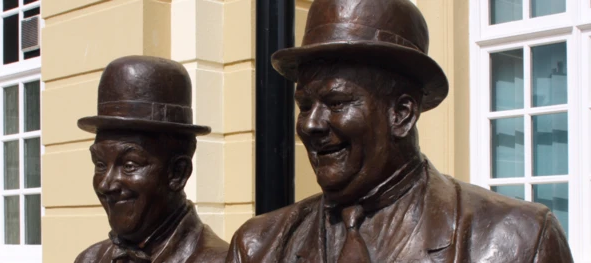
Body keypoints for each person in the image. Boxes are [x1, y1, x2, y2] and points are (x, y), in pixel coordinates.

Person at [226, 0, 573, 262]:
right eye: (304, 105)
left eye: (336, 102)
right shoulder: (258, 247)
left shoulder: (519, 240)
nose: (311, 125)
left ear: (402, 114)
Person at [74, 56, 228, 263]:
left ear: (177, 173)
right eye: (100, 164)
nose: (105, 184)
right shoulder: (90, 259)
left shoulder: (223, 260)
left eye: (129, 165)